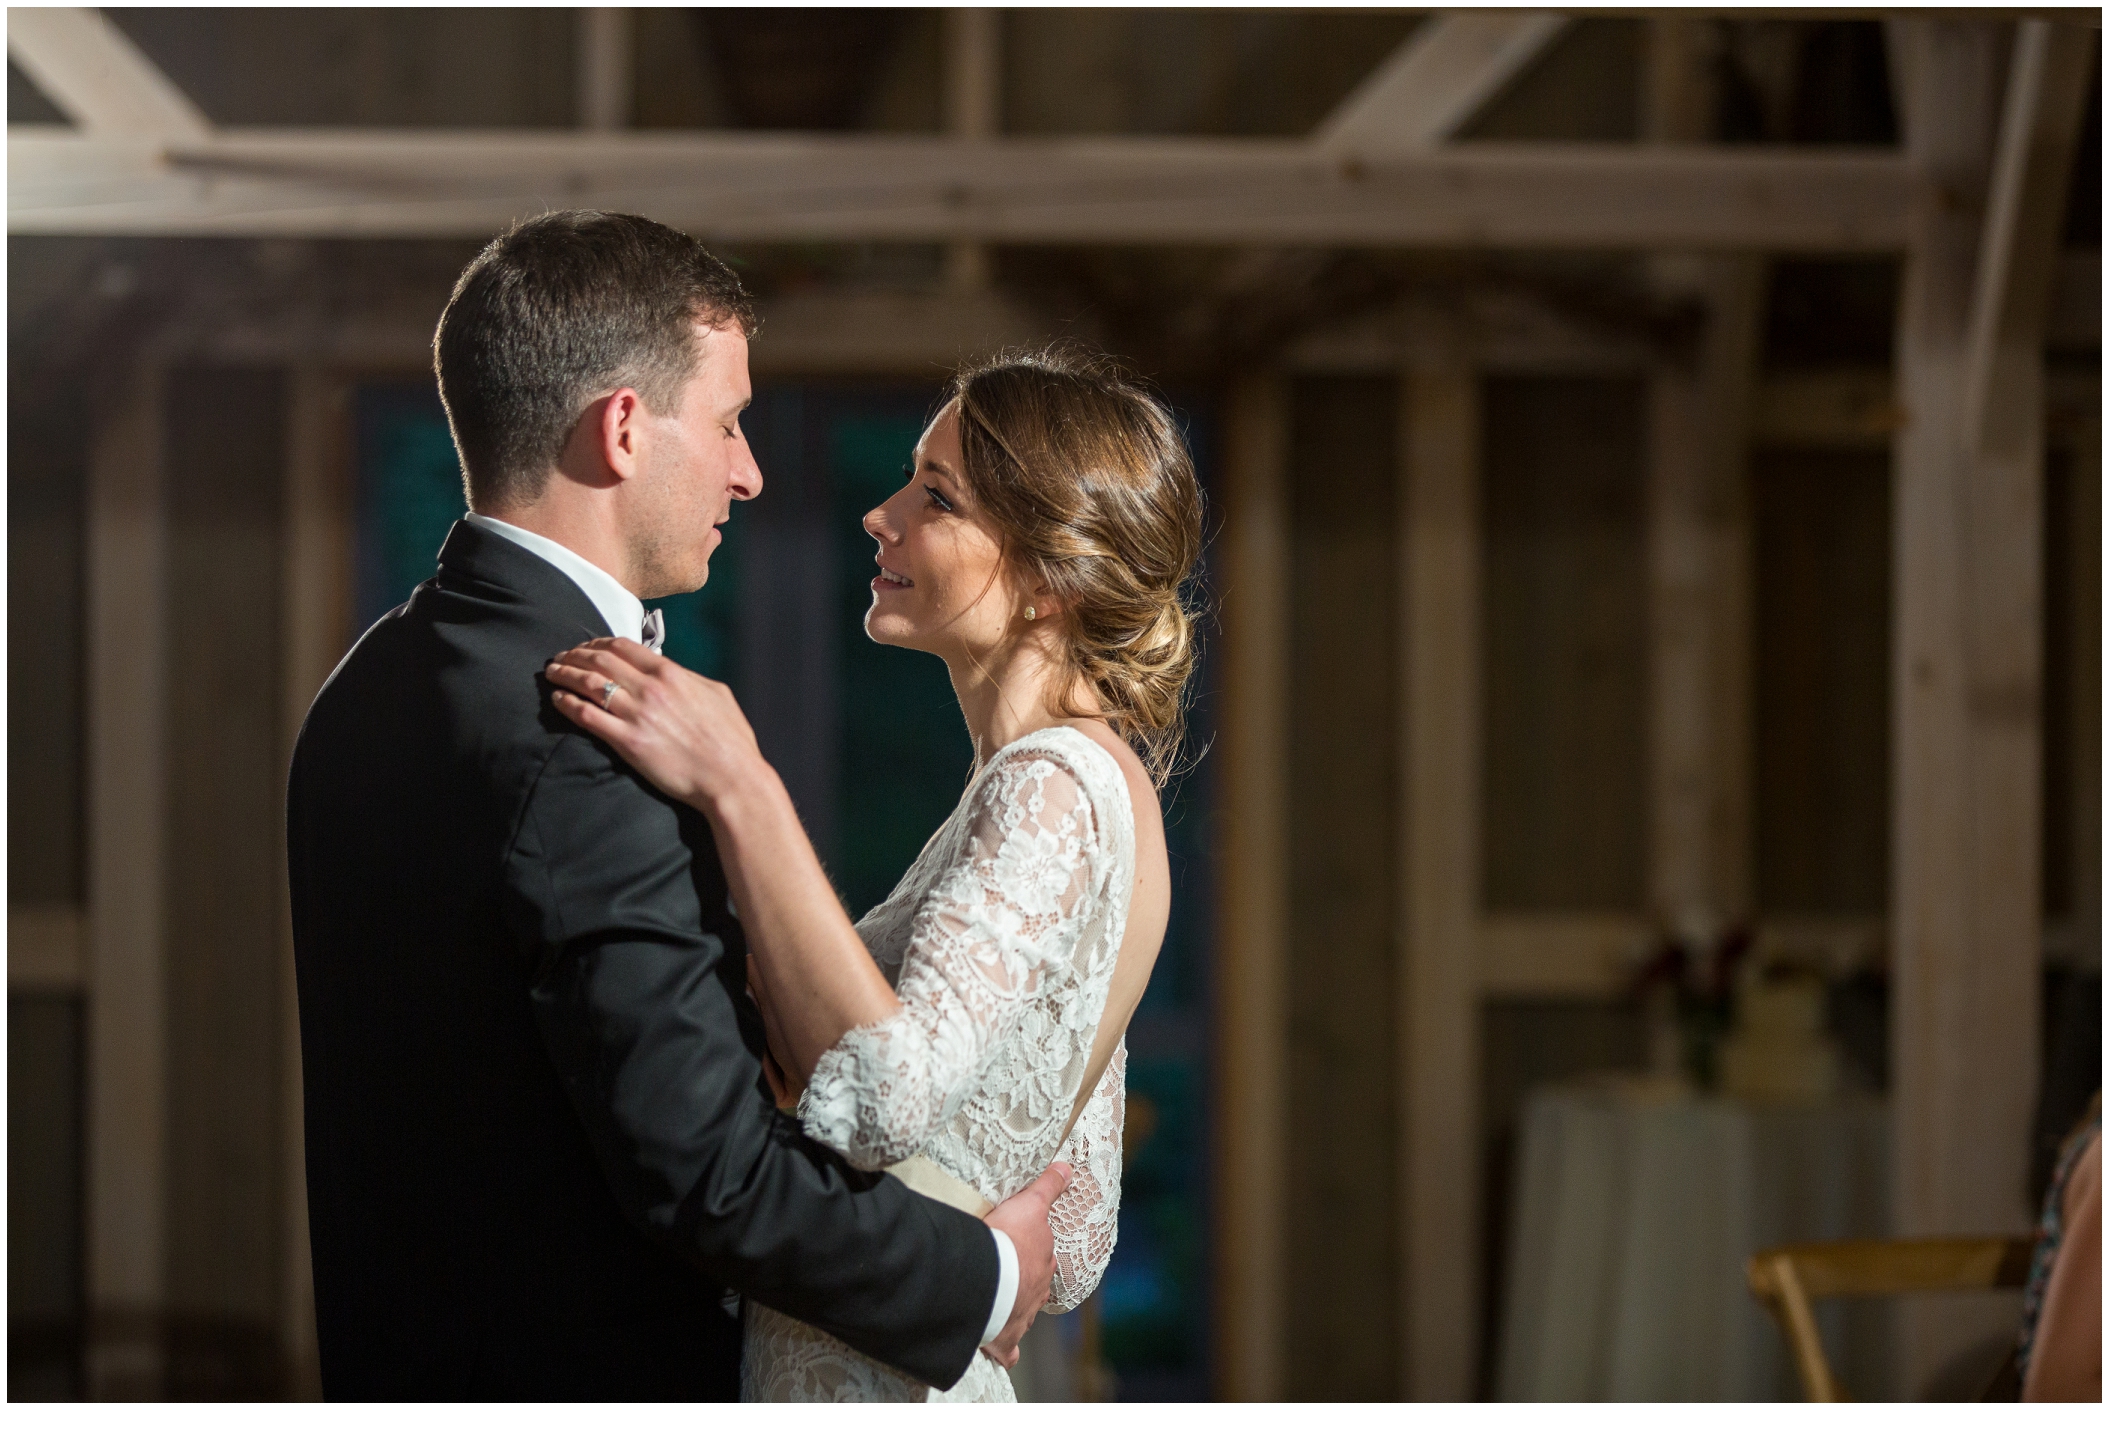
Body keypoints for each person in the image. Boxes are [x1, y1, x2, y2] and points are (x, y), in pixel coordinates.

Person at [286, 210, 1069, 1401]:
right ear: (620, 429)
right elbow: (708, 1177)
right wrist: (985, 1280)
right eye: (728, 422)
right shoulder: (584, 738)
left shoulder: (363, 691)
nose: (749, 470)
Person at [544, 344, 1203, 1400]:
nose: (879, 514)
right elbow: (1072, 1233)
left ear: (1050, 579)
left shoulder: (1053, 788)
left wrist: (739, 784)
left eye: (934, 497)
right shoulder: (1087, 787)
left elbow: (888, 1094)